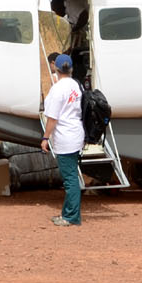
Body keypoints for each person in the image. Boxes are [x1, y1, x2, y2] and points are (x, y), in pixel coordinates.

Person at [41, 52, 84, 227]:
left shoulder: (58, 88)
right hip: (76, 134)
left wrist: (45, 137)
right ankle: (67, 213)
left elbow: (52, 118)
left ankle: (71, 217)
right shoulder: (76, 85)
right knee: (71, 175)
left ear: (56, 68)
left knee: (70, 178)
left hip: (65, 137)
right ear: (71, 68)